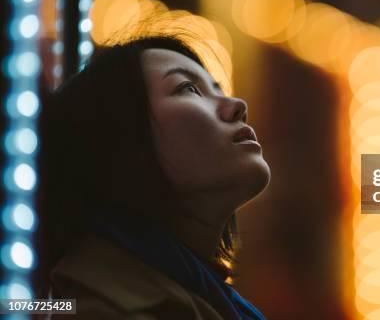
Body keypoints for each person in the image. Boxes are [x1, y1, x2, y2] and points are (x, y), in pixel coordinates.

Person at [38, 35, 271, 319]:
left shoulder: (197, 296)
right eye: (189, 89)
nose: (237, 105)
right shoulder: (102, 309)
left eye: (217, 88)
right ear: (120, 140)